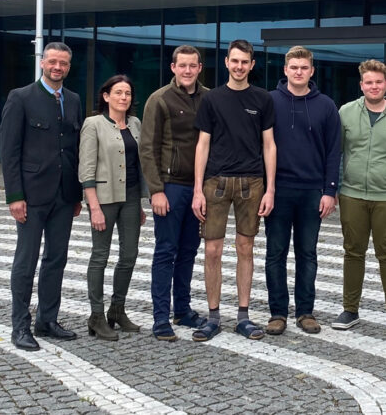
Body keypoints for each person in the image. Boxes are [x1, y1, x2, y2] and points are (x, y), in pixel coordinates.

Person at [191, 39, 276, 342]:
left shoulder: (263, 99)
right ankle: (213, 316)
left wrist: (270, 189)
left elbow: (269, 145)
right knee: (212, 250)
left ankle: (243, 316)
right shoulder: (212, 99)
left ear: (252, 65)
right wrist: (197, 190)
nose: (239, 66)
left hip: (252, 183)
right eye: (234, 60)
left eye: (245, 62)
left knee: (245, 249)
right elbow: (202, 144)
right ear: (226, 62)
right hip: (215, 182)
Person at [0, 42, 82, 351]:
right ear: (42, 63)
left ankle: (47, 320)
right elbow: (9, 152)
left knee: (56, 259)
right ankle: (19, 326)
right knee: (26, 260)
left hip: (63, 195)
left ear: (68, 67)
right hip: (31, 196)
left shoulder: (72, 100)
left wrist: (76, 195)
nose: (57, 67)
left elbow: (72, 150)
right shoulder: (20, 98)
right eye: (52, 62)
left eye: (63, 63)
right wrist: (15, 196)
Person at [331, 59, 386, 333]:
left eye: (378, 82)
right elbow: (335, 151)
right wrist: (333, 189)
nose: (374, 86)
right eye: (368, 82)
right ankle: (350, 309)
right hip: (352, 195)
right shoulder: (346, 112)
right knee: (353, 252)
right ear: (361, 85)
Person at [264, 46, 341, 336]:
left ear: (311, 71)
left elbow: (334, 151)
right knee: (275, 253)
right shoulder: (269, 102)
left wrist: (330, 190)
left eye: (304, 67)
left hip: (312, 191)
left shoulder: (326, 105)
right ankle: (278, 313)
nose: (299, 72)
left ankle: (305, 311)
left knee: (307, 254)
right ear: (285, 70)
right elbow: (262, 147)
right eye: (293, 67)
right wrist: (265, 189)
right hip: (279, 189)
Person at [140, 45, 209, 341]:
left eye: (193, 65)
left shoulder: (209, 98)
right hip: (170, 188)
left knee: (189, 251)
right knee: (166, 251)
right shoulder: (159, 99)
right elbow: (147, 148)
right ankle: (160, 318)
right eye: (182, 65)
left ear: (200, 67)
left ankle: (182, 310)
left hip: (198, 189)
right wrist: (156, 191)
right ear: (173, 67)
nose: (188, 70)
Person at [78, 75, 148, 341]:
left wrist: (141, 203)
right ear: (106, 96)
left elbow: (137, 164)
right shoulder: (93, 124)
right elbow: (86, 168)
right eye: (118, 92)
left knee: (129, 255)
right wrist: (93, 206)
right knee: (100, 256)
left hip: (130, 197)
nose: (123, 97)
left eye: (127, 93)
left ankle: (117, 309)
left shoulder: (135, 123)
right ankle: (96, 315)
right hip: (104, 199)